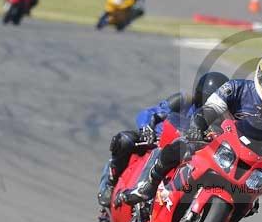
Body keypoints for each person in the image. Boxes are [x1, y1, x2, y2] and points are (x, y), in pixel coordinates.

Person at [119, 53, 262, 211]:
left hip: (247, 157)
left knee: (252, 201)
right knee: (180, 146)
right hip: (216, 140)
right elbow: (211, 108)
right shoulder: (237, 87)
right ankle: (148, 186)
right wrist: (197, 128)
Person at [97, 71, 229, 207]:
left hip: (184, 154)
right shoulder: (184, 100)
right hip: (156, 140)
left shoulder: (221, 121)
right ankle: (109, 182)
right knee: (125, 140)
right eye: (208, 99)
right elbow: (151, 112)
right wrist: (146, 128)